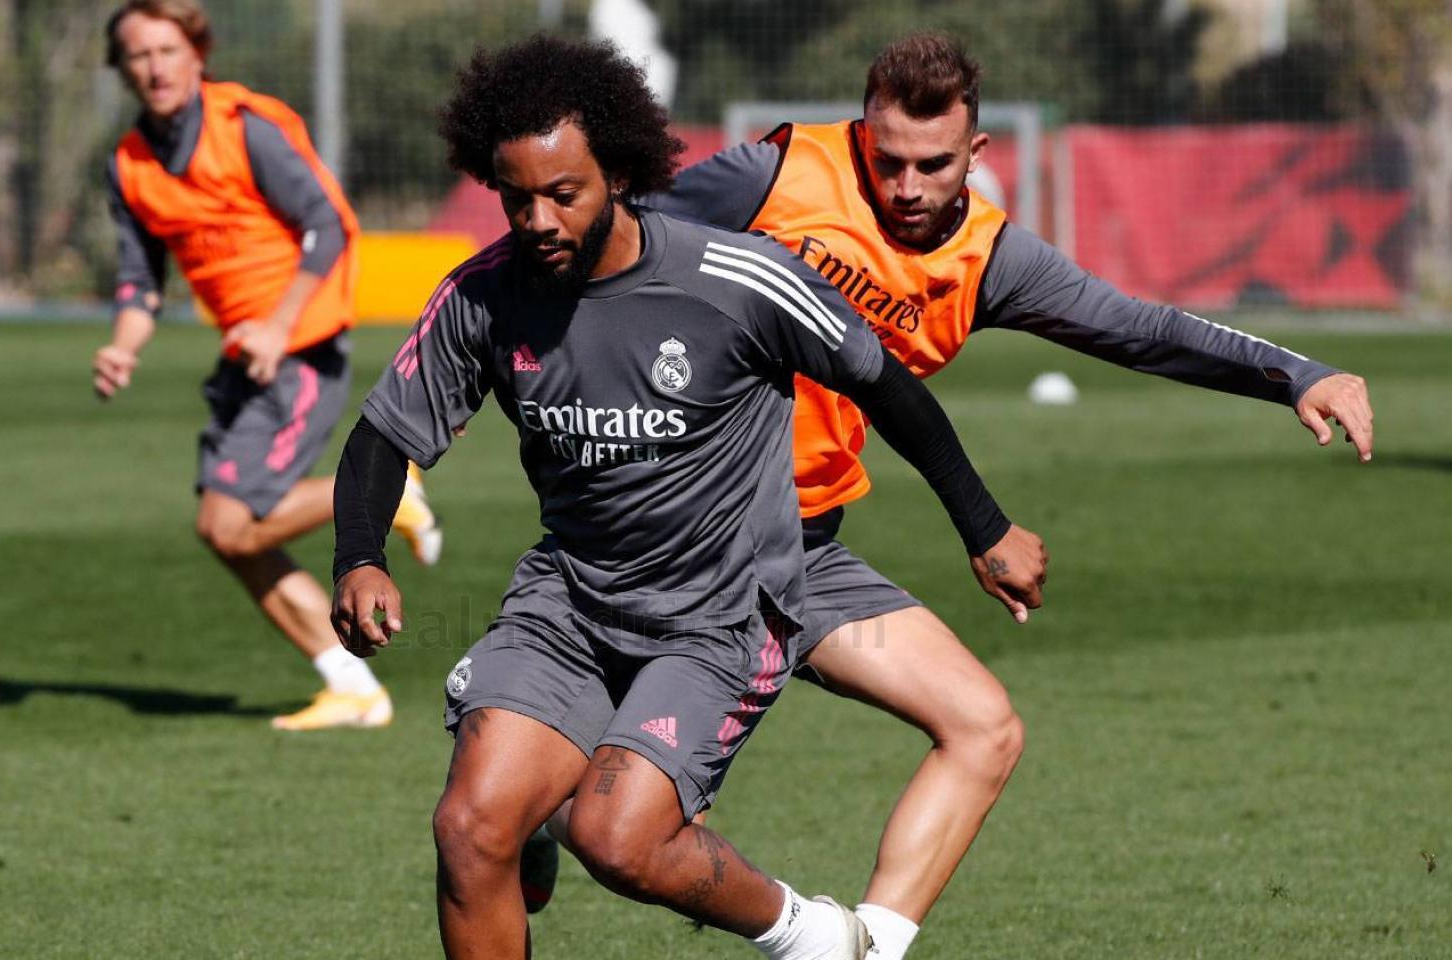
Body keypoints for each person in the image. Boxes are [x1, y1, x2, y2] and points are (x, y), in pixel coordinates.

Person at [612, 31, 1373, 959]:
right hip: (677, 538)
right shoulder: (774, 175)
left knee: (984, 728)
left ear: (978, 154)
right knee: (606, 823)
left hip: (805, 550)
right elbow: (607, 235)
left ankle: (867, 952)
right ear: (861, 135)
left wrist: (1296, 373)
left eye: (933, 164)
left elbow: (1141, 328)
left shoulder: (989, 259)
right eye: (886, 160)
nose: (906, 185)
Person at [327, 36, 1047, 960]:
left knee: (616, 838)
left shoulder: (736, 281)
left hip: (722, 615)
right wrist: (359, 557)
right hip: (570, 604)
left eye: (564, 194)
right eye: (517, 197)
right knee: (470, 829)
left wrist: (984, 529)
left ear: (619, 174)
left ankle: (812, 936)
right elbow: (385, 433)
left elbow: (889, 386)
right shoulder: (484, 295)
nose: (538, 219)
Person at [91, 0, 442, 732]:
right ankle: (349, 684)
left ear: (196, 52)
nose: (154, 67)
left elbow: (330, 225)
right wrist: (124, 346)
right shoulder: (131, 164)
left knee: (229, 522)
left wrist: (279, 327)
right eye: (138, 55)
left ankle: (393, 490)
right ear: (121, 68)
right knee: (226, 532)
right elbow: (139, 283)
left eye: (166, 50)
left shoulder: (243, 127)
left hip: (301, 348)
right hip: (244, 363)